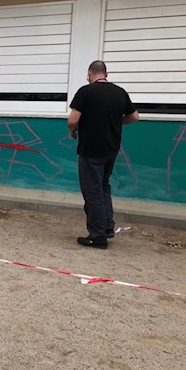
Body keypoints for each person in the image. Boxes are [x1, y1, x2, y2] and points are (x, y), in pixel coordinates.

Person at [68, 61, 139, 249]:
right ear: (106, 74)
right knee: (103, 185)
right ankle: (107, 227)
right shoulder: (119, 92)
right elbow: (134, 116)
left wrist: (73, 131)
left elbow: (72, 119)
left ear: (90, 73)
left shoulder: (86, 92)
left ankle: (97, 236)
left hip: (90, 149)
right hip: (111, 149)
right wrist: (115, 122)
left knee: (92, 191)